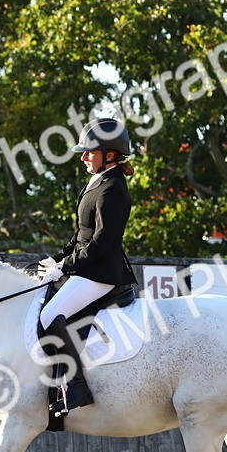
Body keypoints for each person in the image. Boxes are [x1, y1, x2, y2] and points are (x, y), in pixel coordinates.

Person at [37, 117, 138, 415]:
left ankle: (75, 387)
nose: (83, 157)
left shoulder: (113, 188)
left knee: (50, 314)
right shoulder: (98, 181)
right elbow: (81, 235)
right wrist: (56, 258)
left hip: (102, 272)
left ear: (109, 154)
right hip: (88, 266)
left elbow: (100, 243)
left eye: (89, 152)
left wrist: (67, 266)